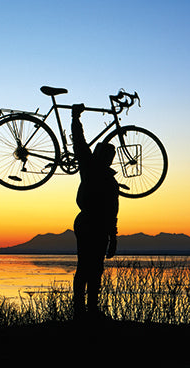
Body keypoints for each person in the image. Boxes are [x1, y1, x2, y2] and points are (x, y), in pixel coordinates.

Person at [70, 103, 120, 321]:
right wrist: (75, 119)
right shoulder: (91, 167)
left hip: (98, 226)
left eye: (111, 155)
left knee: (95, 268)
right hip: (89, 223)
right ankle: (81, 311)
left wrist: (113, 237)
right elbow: (79, 142)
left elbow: (113, 211)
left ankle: (89, 310)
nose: (109, 158)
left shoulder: (110, 180)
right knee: (85, 267)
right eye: (108, 155)